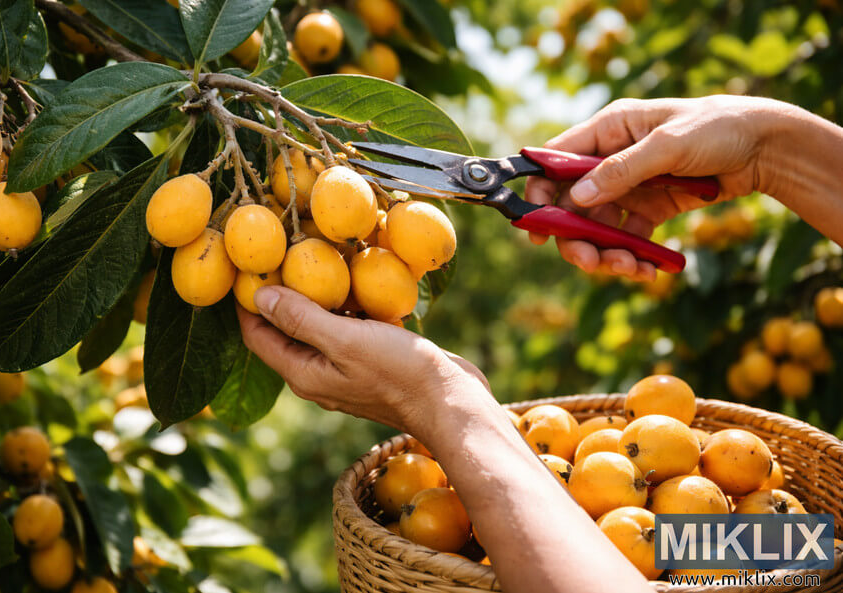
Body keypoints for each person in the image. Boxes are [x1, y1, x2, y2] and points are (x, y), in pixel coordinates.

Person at [237, 95, 843, 593]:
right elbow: (674, 552)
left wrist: (447, 406)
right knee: (794, 544)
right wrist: (765, 146)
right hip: (652, 513)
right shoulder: (677, 524)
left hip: (629, 510)